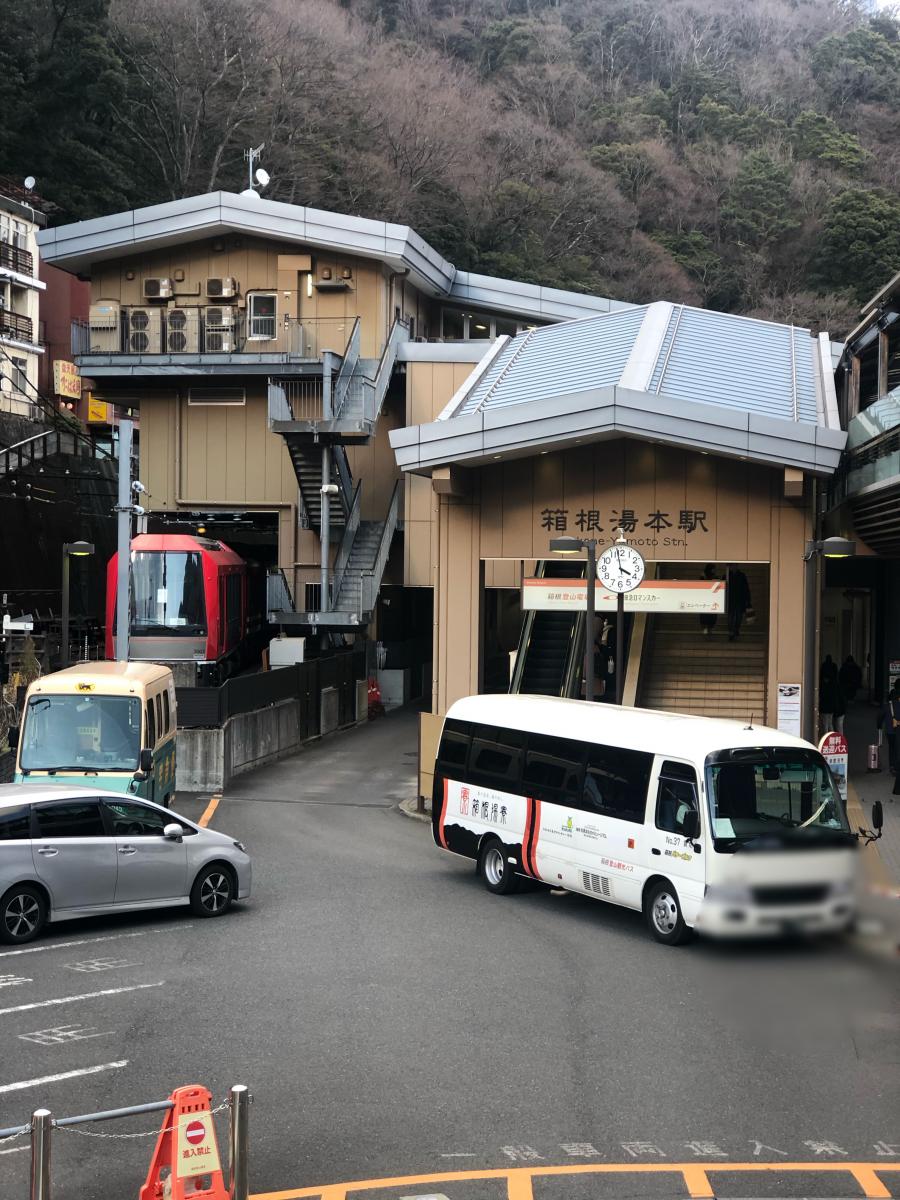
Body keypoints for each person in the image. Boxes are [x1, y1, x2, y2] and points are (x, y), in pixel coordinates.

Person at [727, 566, 752, 642]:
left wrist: (747, 599)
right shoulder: (727, 575)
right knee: (731, 616)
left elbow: (746, 587)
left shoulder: (741, 575)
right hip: (730, 599)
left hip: (740, 599)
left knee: (738, 616)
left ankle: (736, 629)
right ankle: (731, 631)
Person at [699, 564, 719, 636]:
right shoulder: (703, 576)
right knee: (706, 615)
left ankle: (709, 629)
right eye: (713, 569)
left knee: (711, 616)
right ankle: (706, 629)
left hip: (712, 599)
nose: (714, 570)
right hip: (705, 599)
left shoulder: (715, 577)